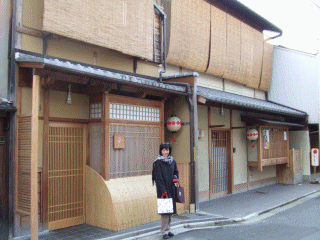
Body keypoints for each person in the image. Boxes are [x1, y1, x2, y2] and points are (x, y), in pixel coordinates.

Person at [152, 142, 179, 239]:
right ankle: (164, 232)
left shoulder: (172, 161)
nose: (165, 152)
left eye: (167, 150)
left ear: (169, 150)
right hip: (163, 190)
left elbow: (176, 171)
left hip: (171, 188)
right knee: (164, 211)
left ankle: (168, 229)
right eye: (163, 150)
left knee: (170, 210)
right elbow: (158, 178)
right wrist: (163, 190)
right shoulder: (158, 162)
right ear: (161, 151)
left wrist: (176, 177)